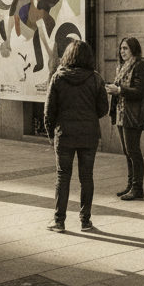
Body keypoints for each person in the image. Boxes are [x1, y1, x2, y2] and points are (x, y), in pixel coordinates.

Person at [43, 40, 108, 232]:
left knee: (63, 176)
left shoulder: (58, 77)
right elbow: (103, 108)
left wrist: (51, 134)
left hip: (64, 134)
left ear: (68, 56)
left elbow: (49, 111)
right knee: (86, 177)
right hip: (89, 135)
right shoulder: (96, 79)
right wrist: (89, 115)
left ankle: (59, 220)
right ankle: (85, 220)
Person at [107, 37, 144, 201]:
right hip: (121, 114)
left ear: (134, 49)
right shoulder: (121, 66)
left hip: (133, 115)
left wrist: (119, 90)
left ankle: (137, 187)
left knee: (133, 151)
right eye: (121, 49)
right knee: (127, 152)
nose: (122, 51)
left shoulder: (139, 66)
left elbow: (139, 91)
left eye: (126, 48)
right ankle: (130, 185)